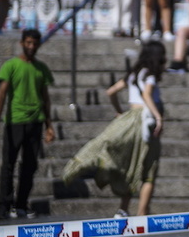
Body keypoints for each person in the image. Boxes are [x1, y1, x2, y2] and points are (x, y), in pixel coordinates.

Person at [63, 41, 167, 218]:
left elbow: (111, 91)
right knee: (149, 170)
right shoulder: (150, 76)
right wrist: (158, 117)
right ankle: (142, 213)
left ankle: (123, 209)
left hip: (129, 122)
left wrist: (119, 111)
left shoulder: (133, 74)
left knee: (130, 165)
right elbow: (147, 95)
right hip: (145, 123)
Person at [0, 29, 55, 221]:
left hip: (35, 121)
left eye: (34, 43)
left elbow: (45, 98)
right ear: (22, 43)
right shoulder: (11, 65)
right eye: (28, 43)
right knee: (8, 165)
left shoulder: (41, 68)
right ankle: (3, 206)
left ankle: (21, 205)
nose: (31, 47)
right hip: (15, 121)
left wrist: (49, 125)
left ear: (39, 45)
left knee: (30, 165)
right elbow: (1, 93)